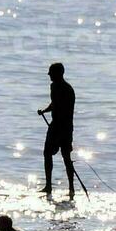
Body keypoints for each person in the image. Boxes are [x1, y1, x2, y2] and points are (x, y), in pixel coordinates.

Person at [37, 62, 76, 199]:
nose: (49, 75)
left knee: (66, 157)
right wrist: (45, 111)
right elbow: (54, 104)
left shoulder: (67, 89)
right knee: (47, 153)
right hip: (55, 126)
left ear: (58, 74)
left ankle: (71, 187)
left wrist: (61, 130)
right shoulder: (54, 87)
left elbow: (64, 109)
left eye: (51, 73)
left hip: (64, 128)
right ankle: (48, 186)